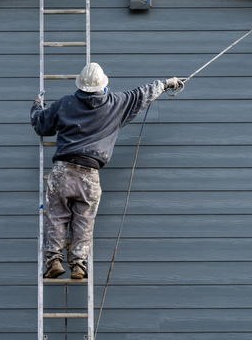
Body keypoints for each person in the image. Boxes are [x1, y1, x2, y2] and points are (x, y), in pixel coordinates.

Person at [31, 62, 181, 279]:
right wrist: (167, 84)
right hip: (90, 174)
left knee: (56, 216)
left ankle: (54, 260)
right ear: (103, 85)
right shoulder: (114, 104)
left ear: (81, 85)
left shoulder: (65, 104)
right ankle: (78, 265)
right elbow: (142, 94)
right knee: (84, 219)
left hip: (63, 170)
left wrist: (36, 105)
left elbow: (41, 125)